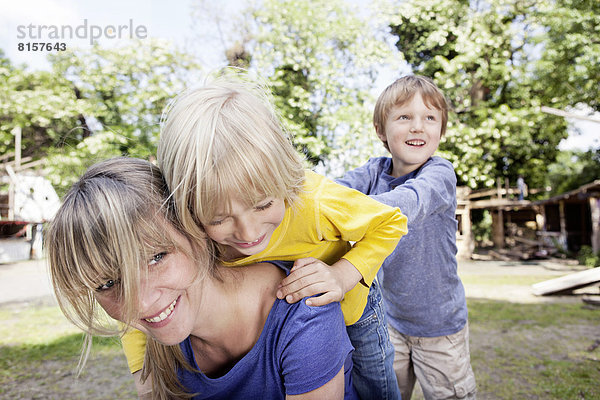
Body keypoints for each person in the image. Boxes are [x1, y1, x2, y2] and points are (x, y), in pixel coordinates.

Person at [121, 77, 408, 400]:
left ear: (285, 176)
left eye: (263, 205)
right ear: (187, 206)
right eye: (219, 219)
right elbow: (141, 294)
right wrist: (140, 371)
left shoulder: (312, 199)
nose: (247, 232)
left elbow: (390, 223)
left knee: (376, 385)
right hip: (286, 320)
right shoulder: (192, 231)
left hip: (353, 304)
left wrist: (341, 275)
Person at [46, 157, 360, 400]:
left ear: (196, 230)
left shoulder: (304, 311)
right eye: (107, 284)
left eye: (157, 258)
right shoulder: (157, 343)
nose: (139, 302)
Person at [337, 75, 477, 400]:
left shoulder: (439, 173)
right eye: (404, 117)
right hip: (389, 322)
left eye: (430, 118)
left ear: (441, 131)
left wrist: (347, 211)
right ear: (380, 130)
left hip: (441, 328)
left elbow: (409, 202)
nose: (418, 127)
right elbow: (333, 192)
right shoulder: (373, 172)